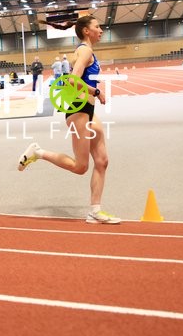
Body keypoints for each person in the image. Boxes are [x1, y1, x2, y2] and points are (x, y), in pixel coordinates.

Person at [17, 15, 120, 225]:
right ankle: (38, 152)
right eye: (97, 26)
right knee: (80, 166)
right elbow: (73, 80)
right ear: (86, 31)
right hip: (78, 109)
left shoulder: (87, 51)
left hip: (87, 109)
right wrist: (96, 91)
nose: (101, 30)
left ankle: (95, 211)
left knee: (102, 161)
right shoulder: (85, 50)